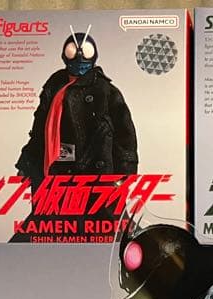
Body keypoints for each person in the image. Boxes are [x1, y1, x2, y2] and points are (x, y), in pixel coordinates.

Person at [11, 28, 138, 242]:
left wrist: (125, 172)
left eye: (85, 51)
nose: (79, 56)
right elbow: (40, 132)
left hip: (96, 175)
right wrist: (28, 162)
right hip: (55, 172)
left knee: (109, 231)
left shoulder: (106, 91)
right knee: (47, 230)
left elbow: (125, 134)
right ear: (64, 54)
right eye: (73, 51)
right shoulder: (53, 87)